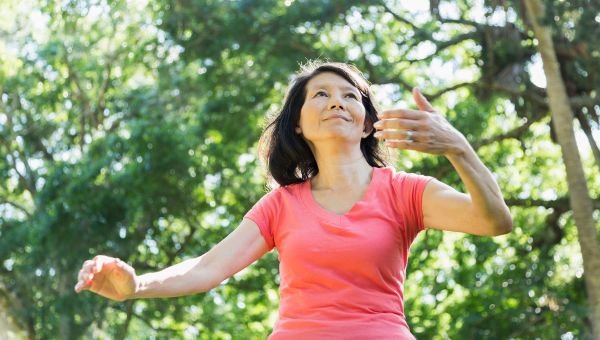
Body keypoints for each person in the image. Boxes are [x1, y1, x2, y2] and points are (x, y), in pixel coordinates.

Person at [74, 61, 512, 339]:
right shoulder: (281, 205)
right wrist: (137, 285)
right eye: (320, 93)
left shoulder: (405, 191)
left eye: (350, 96)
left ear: (365, 125)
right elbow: (208, 267)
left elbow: (494, 221)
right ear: (298, 125)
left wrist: (459, 148)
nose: (336, 101)